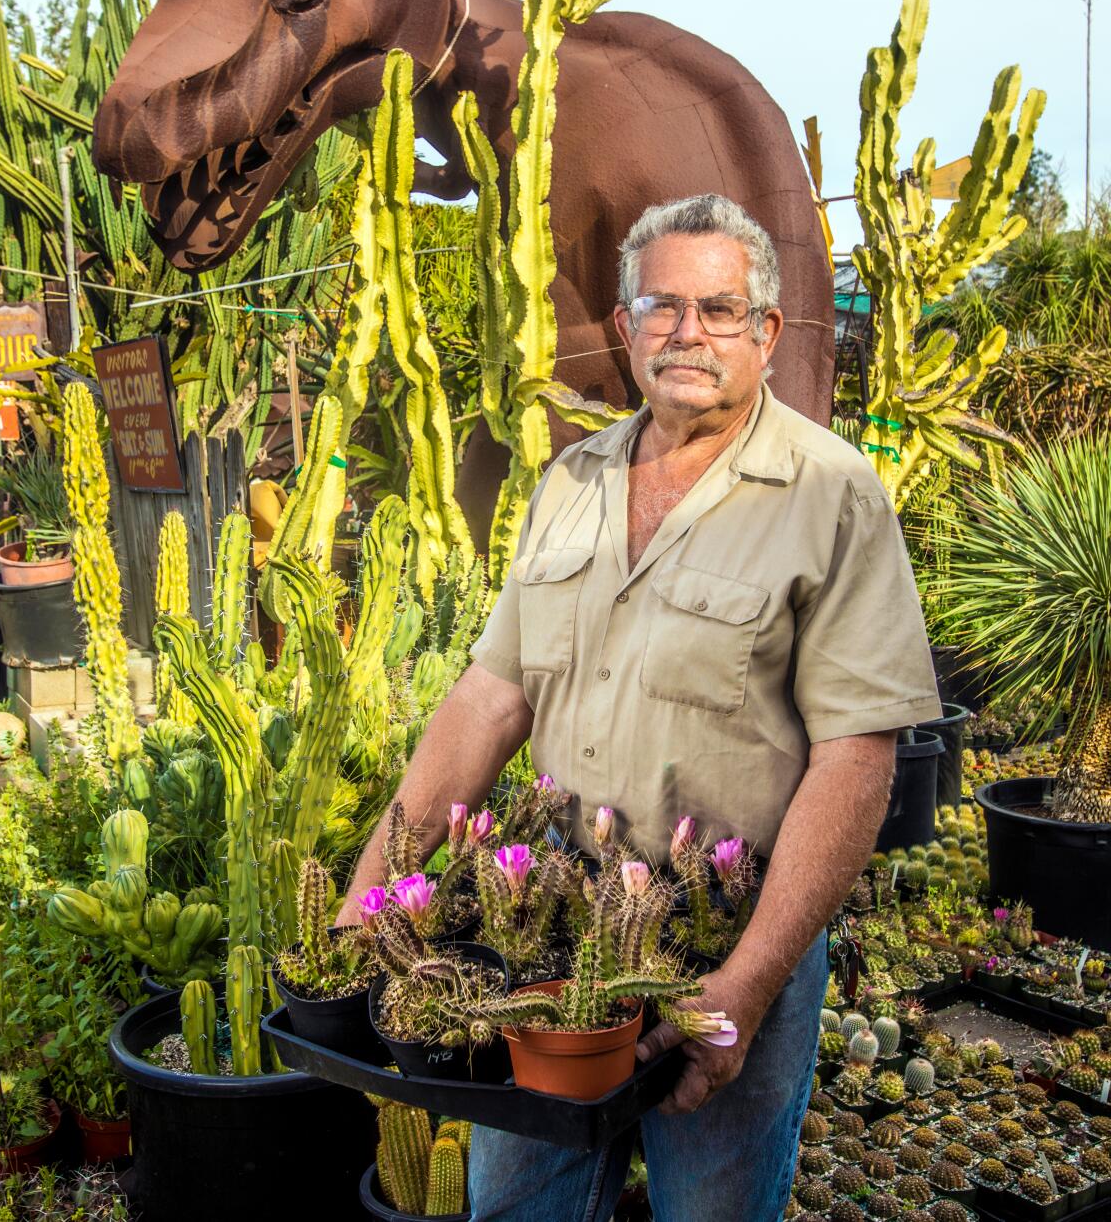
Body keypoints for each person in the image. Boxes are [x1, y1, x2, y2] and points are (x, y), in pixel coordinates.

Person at [337, 194, 940, 1221]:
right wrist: (368, 897)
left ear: (767, 333)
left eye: (718, 309)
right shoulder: (570, 481)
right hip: (552, 946)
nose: (688, 333)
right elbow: (490, 699)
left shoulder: (830, 494)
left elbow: (857, 759)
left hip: (724, 939)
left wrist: (745, 988)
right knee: (518, 1208)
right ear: (624, 328)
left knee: (710, 1211)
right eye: (662, 307)